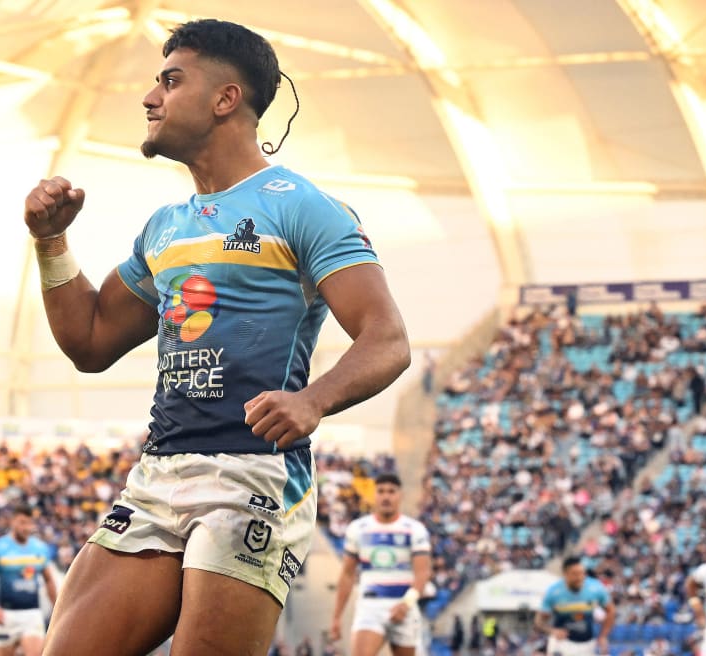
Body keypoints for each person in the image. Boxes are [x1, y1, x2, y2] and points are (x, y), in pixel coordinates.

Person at [23, 18, 410, 656]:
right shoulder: (165, 227)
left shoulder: (301, 206)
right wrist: (51, 242)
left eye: (170, 82)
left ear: (225, 100)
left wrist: (312, 401)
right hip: (159, 475)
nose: (151, 97)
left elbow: (387, 337)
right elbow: (90, 342)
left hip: (252, 476)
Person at [329, 473, 432, 656]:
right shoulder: (358, 529)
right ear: (374, 495)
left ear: (400, 495)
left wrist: (406, 604)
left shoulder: (414, 529)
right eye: (381, 491)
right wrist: (337, 616)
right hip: (370, 606)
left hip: (404, 607)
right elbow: (347, 574)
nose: (386, 496)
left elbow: (422, 574)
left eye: (391, 491)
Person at [0, 505, 58, 656]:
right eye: (22, 522)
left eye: (29, 523)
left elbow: (49, 579)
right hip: (6, 614)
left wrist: (56, 608)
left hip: (32, 613)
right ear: (13, 522)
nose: (26, 527)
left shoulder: (39, 548)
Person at [535, 556, 614, 656]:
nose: (580, 577)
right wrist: (552, 630)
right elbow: (539, 621)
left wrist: (603, 636)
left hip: (587, 643)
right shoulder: (553, 592)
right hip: (561, 643)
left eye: (582, 573)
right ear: (565, 574)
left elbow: (611, 610)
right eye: (575, 574)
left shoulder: (596, 588)